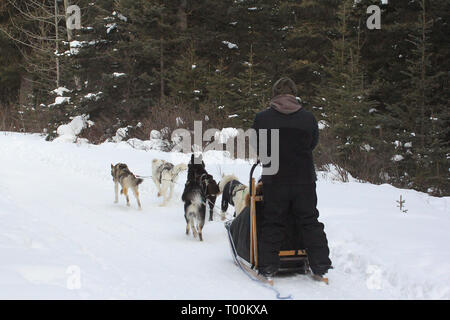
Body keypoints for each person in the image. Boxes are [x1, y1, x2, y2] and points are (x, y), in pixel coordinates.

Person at [251, 77, 332, 278]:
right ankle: (320, 265)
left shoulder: (262, 118)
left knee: (273, 221)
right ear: (294, 95)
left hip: (274, 178)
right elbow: (312, 143)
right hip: (304, 179)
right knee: (309, 220)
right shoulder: (308, 118)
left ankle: (268, 266)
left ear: (274, 95)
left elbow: (257, 146)